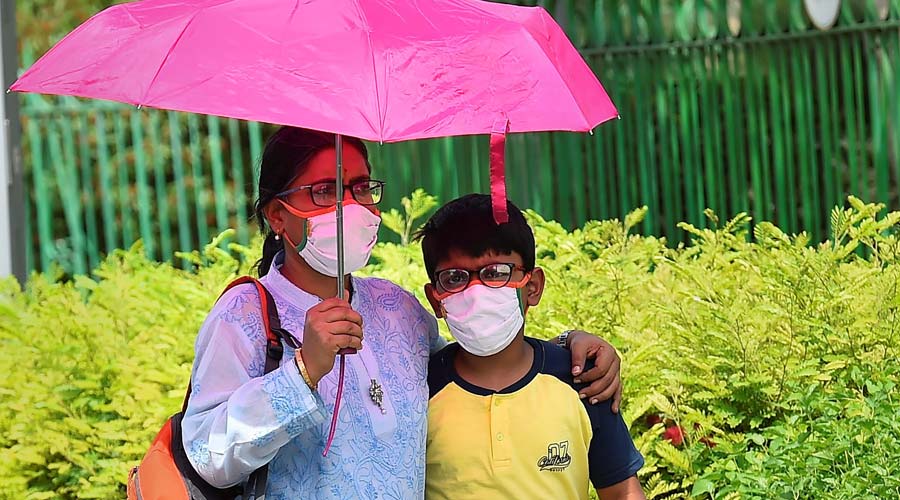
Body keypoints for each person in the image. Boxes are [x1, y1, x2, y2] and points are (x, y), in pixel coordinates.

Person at [181, 126, 625, 499]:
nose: (350, 206)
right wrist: (302, 372)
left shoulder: (396, 309)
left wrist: (570, 347)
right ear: (278, 216)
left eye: (359, 188)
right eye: (326, 191)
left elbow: (480, 360)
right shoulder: (245, 314)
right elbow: (208, 456)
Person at [419, 194, 645, 500]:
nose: (476, 292)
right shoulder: (419, 390)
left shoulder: (583, 381)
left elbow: (623, 492)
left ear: (533, 286)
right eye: (455, 278)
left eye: (496, 272)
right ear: (436, 299)